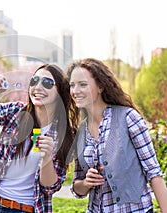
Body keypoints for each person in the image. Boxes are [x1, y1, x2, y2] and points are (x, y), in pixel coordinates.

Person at [0, 64, 78, 212]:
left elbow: (50, 187)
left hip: (25, 209)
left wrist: (46, 158)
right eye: (34, 81)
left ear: (60, 92)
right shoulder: (15, 112)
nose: (38, 87)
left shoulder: (66, 135)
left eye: (47, 83)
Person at [65, 58, 167, 213]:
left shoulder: (128, 118)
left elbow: (153, 173)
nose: (75, 91)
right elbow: (77, 187)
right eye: (72, 85)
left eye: (83, 84)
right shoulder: (81, 132)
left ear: (100, 86)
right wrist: (86, 183)